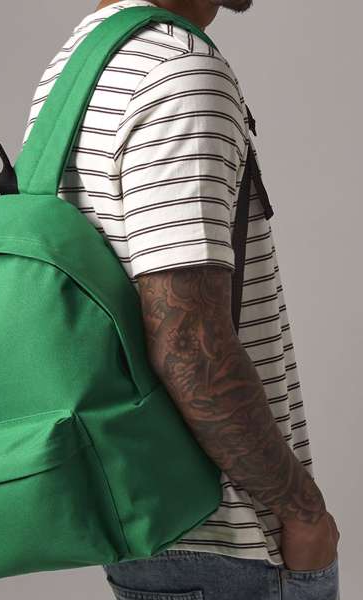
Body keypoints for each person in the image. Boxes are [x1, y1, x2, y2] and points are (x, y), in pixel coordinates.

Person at [23, 1, 340, 598]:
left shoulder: (77, 65)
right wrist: (301, 511)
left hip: (148, 523)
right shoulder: (176, 71)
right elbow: (187, 344)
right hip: (232, 540)